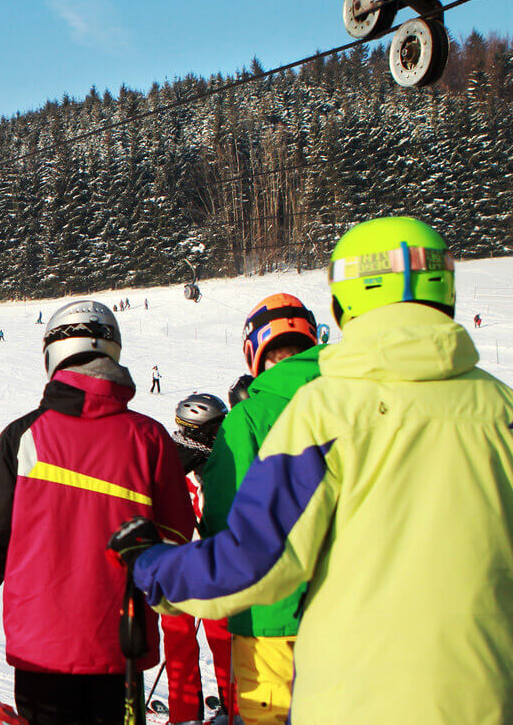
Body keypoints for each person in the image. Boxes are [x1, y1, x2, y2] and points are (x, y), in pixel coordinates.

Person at [112, 217, 513, 724]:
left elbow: (252, 555)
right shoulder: (502, 409)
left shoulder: (324, 412)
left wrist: (151, 568)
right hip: (486, 694)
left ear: (344, 305)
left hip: (351, 693)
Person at [0, 300, 193, 723]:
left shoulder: (24, 436)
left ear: (53, 357)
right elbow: (176, 537)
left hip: (41, 649)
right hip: (121, 641)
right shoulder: (150, 438)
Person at [189, 293, 323, 724]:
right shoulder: (356, 399)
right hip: (356, 617)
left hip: (271, 622)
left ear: (255, 351)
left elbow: (227, 527)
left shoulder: (249, 418)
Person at [165, 393, 237, 724]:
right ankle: (235, 707)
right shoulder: (210, 466)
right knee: (224, 641)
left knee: (179, 642)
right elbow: (215, 517)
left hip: (172, 569)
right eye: (218, 425)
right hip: (211, 568)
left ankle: (184, 714)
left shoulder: (165, 458)